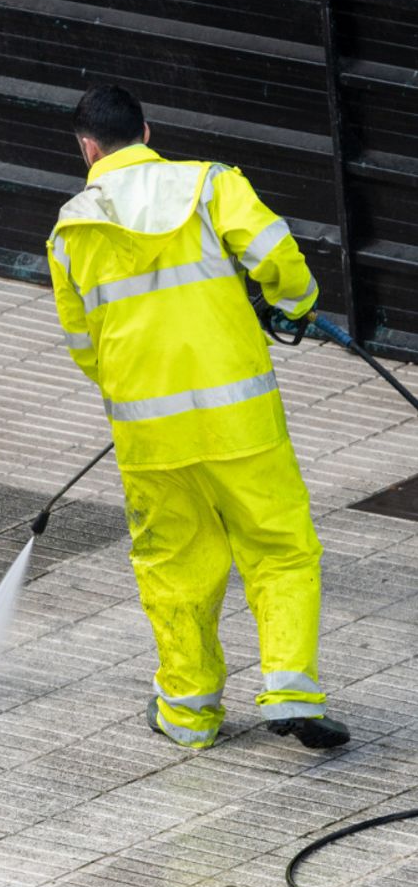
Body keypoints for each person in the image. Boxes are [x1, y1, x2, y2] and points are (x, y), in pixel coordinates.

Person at [47, 84, 349, 751]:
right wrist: (293, 306)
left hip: (152, 435)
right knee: (280, 549)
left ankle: (187, 715)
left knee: (174, 567)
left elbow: (82, 346)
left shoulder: (69, 230)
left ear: (88, 149)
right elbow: (277, 254)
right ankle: (291, 688)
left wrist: (139, 391)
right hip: (241, 422)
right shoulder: (210, 185)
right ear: (148, 132)